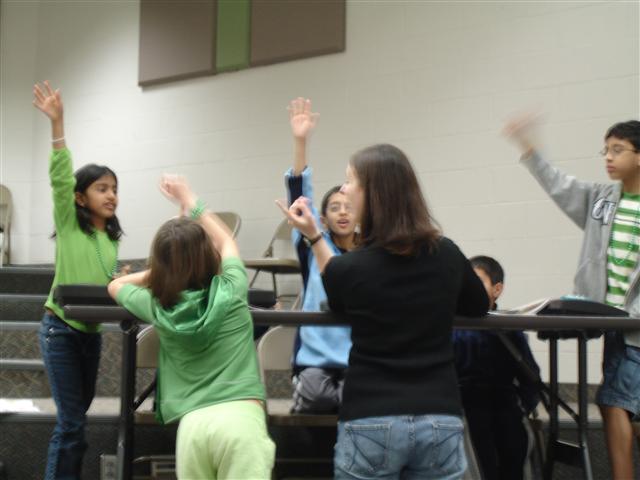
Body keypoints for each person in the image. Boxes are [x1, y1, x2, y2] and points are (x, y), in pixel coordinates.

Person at [278, 143, 490, 479]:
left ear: (372, 193)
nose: (344, 189)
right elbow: (477, 305)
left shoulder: (352, 268)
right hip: (440, 416)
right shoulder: (447, 253)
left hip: (371, 417)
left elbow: (335, 286)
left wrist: (316, 237)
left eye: (350, 181)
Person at [108, 175, 275, 480]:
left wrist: (164, 270)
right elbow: (226, 240)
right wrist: (189, 200)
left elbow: (116, 285)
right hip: (242, 421)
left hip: (193, 426)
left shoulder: (158, 306)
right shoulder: (233, 287)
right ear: (209, 255)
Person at [505, 116, 640, 480]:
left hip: (635, 326)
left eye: (617, 150)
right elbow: (559, 184)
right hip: (614, 324)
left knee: (615, 403)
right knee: (620, 405)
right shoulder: (601, 199)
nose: (608, 157)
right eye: (605, 150)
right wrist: (530, 149)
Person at [33, 81, 125, 479]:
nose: (111, 195)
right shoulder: (71, 225)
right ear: (80, 197)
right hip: (61, 331)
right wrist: (58, 125)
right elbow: (59, 178)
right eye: (101, 188)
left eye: (114, 189)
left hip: (91, 334)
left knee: (78, 423)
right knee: (71, 425)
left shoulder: (111, 239)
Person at [284, 97, 356, 413]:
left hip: (357, 355)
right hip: (315, 356)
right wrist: (300, 142)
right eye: (335, 207)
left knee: (362, 399)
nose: (343, 212)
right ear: (323, 219)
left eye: (349, 207)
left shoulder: (369, 253)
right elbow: (301, 199)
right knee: (318, 399)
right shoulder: (314, 246)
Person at [453, 255, 540, 480]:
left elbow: (531, 376)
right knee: (481, 458)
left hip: (505, 403)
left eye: (476, 283)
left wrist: (523, 406)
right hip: (466, 406)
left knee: (513, 447)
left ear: (497, 289)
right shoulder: (454, 327)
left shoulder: (509, 328)